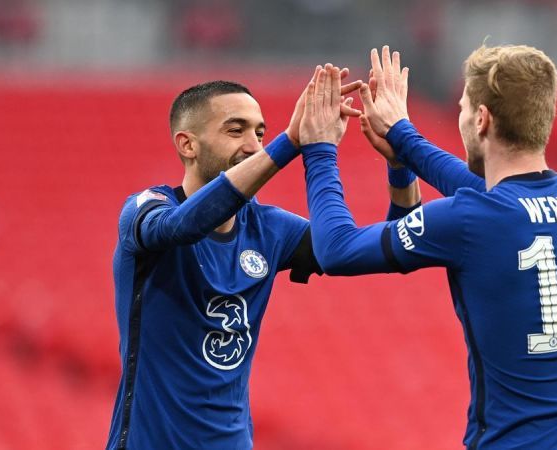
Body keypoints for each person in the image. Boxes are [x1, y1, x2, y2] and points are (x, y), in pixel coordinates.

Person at [299, 47, 557, 449]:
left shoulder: (471, 218)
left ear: (481, 119)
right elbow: (493, 201)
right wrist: (402, 144)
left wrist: (319, 149)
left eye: (462, 108)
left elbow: (336, 249)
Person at [105, 73, 421, 450]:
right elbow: (185, 225)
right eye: (236, 131)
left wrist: (401, 163)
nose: (254, 146)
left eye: (260, 132)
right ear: (187, 144)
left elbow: (392, 248)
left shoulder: (268, 228)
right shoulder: (146, 209)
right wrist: (290, 142)